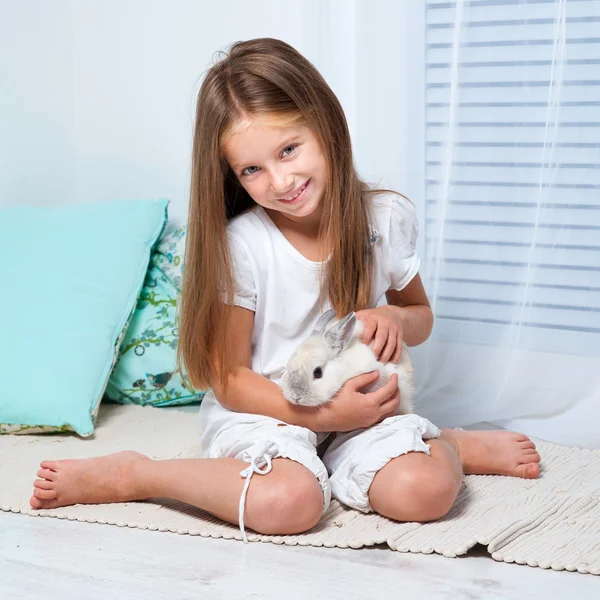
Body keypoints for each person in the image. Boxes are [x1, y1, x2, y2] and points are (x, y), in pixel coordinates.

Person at [30, 38, 541, 541]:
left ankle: (445, 443)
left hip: (362, 409)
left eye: (289, 149)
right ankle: (138, 474)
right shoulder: (243, 245)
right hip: (267, 409)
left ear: (324, 122)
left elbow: (419, 315)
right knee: (287, 503)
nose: (280, 181)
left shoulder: (385, 217)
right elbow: (228, 377)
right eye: (252, 169)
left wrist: (396, 320)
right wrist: (318, 414)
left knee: (422, 494)